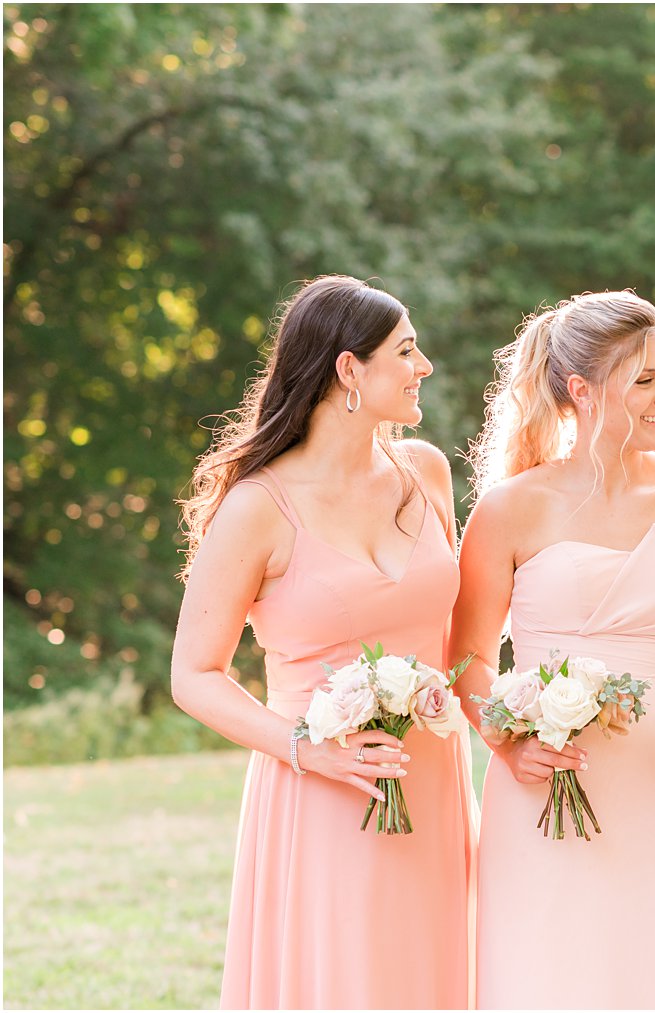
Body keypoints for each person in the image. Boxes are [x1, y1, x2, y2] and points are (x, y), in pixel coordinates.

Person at [171, 275, 474, 1009]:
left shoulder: (425, 472)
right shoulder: (257, 506)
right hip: (320, 791)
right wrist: (309, 746)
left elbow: (455, 635)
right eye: (406, 351)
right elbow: (195, 674)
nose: (423, 365)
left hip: (432, 781)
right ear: (349, 369)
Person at [449, 290, 655, 1009]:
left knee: (654, 974)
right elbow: (468, 659)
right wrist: (509, 741)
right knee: (541, 974)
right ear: (580, 389)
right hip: (542, 788)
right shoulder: (511, 506)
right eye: (644, 380)